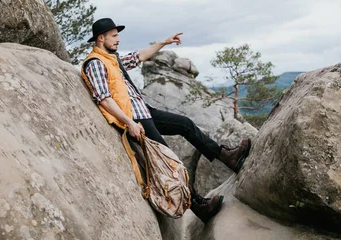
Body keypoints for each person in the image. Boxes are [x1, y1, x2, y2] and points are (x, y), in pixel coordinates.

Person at [80, 18, 252, 223]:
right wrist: (130, 122)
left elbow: (139, 56)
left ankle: (227, 156)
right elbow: (105, 99)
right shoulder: (95, 63)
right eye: (114, 35)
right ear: (101, 38)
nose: (118, 39)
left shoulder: (112, 60)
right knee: (170, 162)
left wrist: (164, 42)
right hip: (134, 118)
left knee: (185, 124)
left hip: (145, 111)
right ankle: (199, 206)